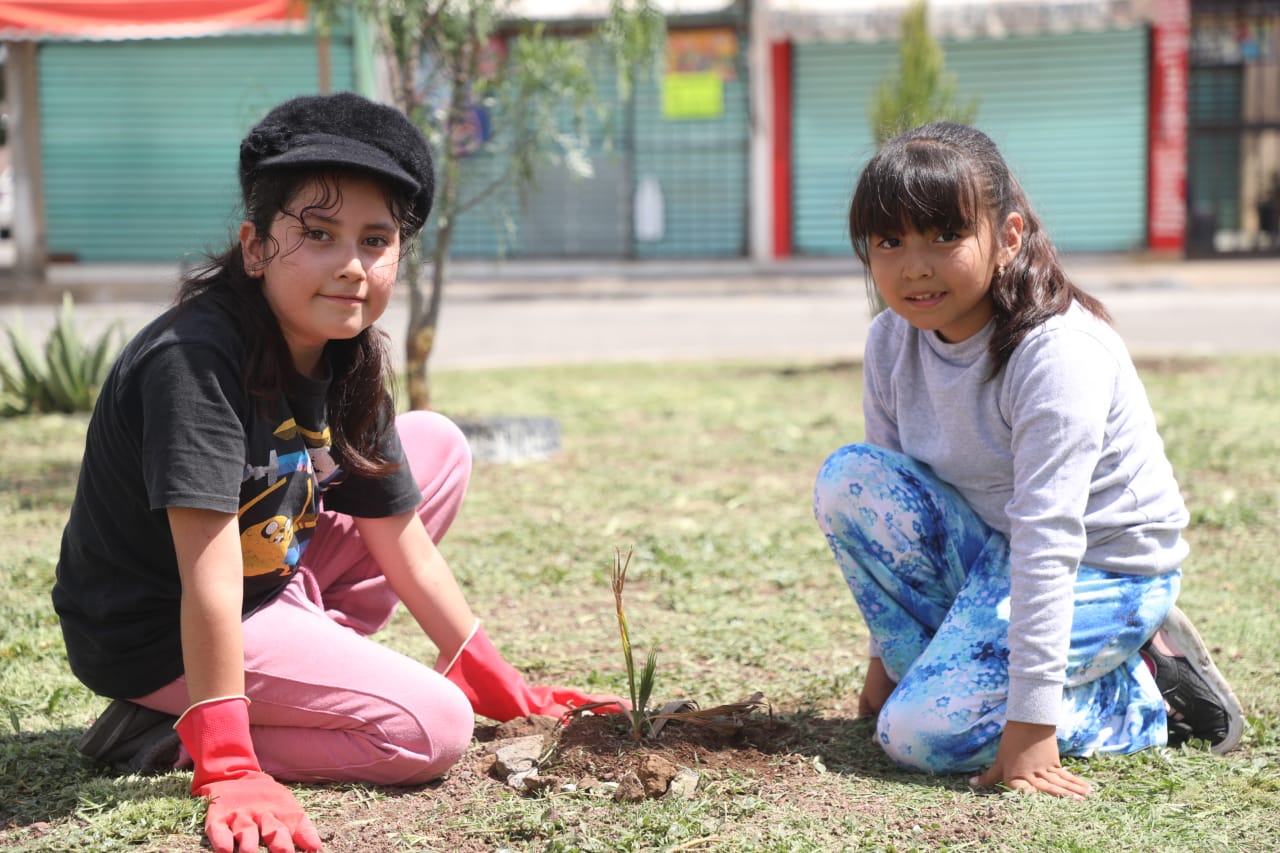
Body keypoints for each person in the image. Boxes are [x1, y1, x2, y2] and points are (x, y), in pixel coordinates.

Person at [52, 92, 623, 853]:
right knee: (431, 728)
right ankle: (169, 729)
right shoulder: (193, 363)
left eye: (375, 239)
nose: (351, 265)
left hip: (266, 579)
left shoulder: (345, 351)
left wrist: (498, 681)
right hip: (159, 629)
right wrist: (228, 763)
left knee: (437, 443)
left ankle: (297, 667)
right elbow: (209, 579)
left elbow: (401, 537)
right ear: (255, 247)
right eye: (318, 234)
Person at [812, 121, 1245, 799]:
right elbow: (898, 501)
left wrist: (1031, 725)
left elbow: (1048, 539)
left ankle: (1141, 697)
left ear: (1009, 236)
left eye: (943, 235)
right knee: (850, 479)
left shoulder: (1057, 352)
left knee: (916, 736)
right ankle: (944, 680)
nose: (914, 265)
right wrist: (884, 657)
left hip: (1102, 567)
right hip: (995, 553)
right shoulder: (891, 341)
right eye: (889, 241)